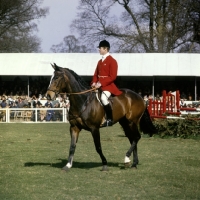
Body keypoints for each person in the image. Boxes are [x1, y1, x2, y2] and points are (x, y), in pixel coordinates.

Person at [91, 40, 122, 127]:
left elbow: (113, 76)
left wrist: (101, 83)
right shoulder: (99, 62)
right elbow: (96, 74)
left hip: (108, 86)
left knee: (104, 98)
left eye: (100, 48)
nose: (99, 50)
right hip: (98, 85)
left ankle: (109, 119)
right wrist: (94, 82)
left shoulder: (112, 61)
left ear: (105, 49)